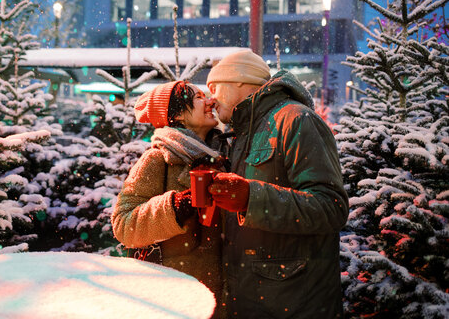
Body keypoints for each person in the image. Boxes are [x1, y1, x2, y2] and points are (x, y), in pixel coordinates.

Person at [205, 49, 349, 318]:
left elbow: (331, 207)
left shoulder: (294, 120)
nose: (210, 98)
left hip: (294, 304)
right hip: (252, 300)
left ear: (239, 79)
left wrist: (251, 199)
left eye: (213, 86)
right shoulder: (240, 134)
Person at [111, 80, 225, 312]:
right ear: (179, 115)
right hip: (178, 292)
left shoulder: (225, 152)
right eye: (199, 97)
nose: (210, 101)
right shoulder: (157, 158)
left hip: (223, 288)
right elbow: (123, 225)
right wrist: (174, 207)